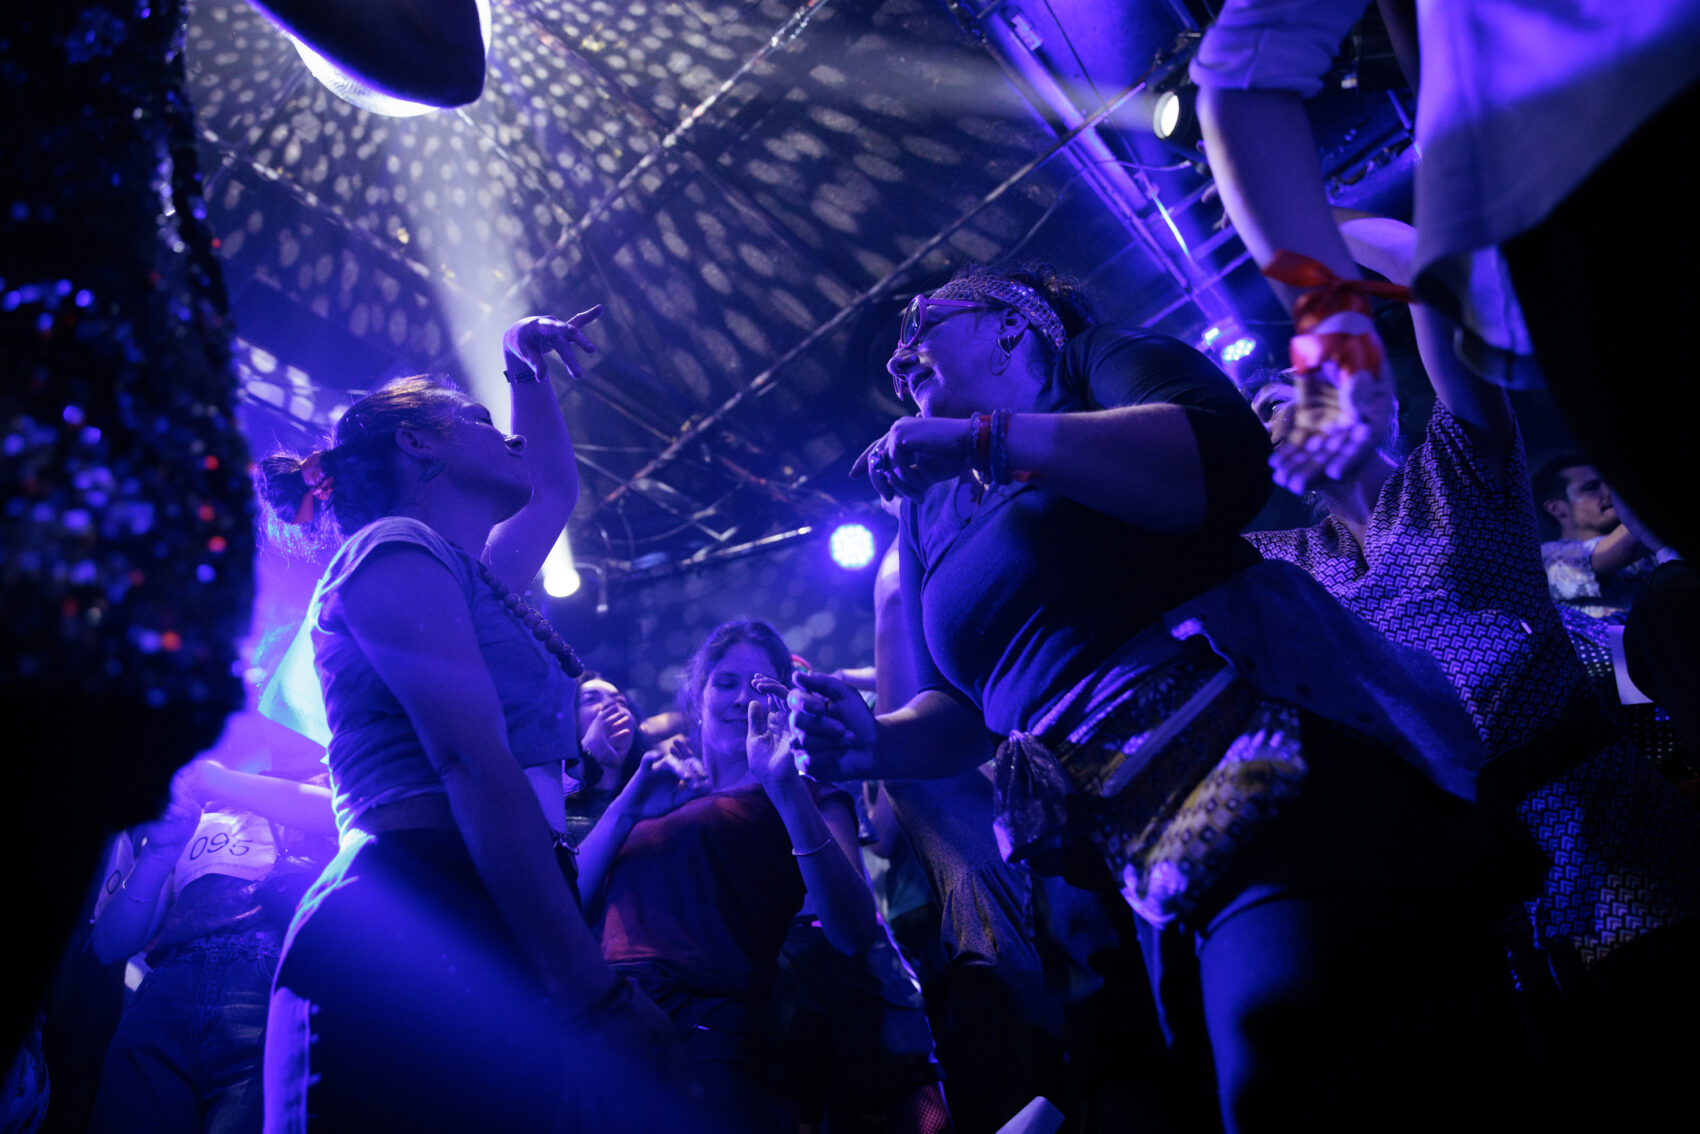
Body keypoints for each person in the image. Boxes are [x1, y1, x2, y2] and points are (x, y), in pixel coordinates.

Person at [789, 262, 1506, 1131]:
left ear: (1015, 322)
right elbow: (962, 714)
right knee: (1153, 1102)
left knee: (1287, 1059)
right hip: (1085, 844)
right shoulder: (927, 507)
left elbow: (1221, 466)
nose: (901, 361)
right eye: (895, 359)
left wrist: (991, 437)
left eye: (922, 326)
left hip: (1236, 761)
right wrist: (870, 739)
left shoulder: (1093, 364)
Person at [0, 0, 490, 1057]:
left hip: (84, 503)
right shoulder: (385, 567)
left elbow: (438, 60)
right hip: (71, 480)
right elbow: (438, 55)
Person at [1242, 216, 1700, 1123]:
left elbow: (1435, 280)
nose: (1268, 421)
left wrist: (1306, 229)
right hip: (1480, 890)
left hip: (1599, 810)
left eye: (1279, 395)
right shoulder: (1290, 566)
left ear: (1353, 391)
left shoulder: (1452, 464)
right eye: (1253, 421)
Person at [253, 311, 687, 1132]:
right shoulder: (386, 548)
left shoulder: (469, 575)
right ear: (419, 444)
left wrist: (524, 371)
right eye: (483, 421)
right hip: (413, 900)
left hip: (486, 895)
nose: (511, 441)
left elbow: (554, 486)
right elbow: (469, 764)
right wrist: (592, 993)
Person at [1189, 0, 1700, 565]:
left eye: (1274, 400)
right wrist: (1339, 336)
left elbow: (1241, 87)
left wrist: (1340, 332)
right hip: (1565, 225)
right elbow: (1242, 84)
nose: (1287, 410)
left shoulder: (1448, 466)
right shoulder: (1301, 559)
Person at [574, 620, 880, 1133]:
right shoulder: (655, 792)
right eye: (726, 682)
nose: (742, 699)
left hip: (706, 1023)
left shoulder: (810, 794)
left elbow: (853, 931)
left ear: (782, 699)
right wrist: (627, 809)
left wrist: (783, 785)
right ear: (698, 693)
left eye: (760, 686)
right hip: (607, 1013)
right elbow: (567, 902)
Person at [87, 756, 337, 1134]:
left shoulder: (326, 779)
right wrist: (158, 856)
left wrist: (215, 779)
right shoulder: (189, 812)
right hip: (166, 990)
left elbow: (336, 813)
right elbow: (108, 945)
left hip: (271, 983)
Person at [1533, 456, 1659, 618]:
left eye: (1610, 483)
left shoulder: (1641, 537)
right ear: (1557, 509)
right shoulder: (1544, 557)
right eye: (1592, 487)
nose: (1608, 492)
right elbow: (1624, 550)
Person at [562, 672, 646, 849]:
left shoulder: (651, 795)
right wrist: (587, 756)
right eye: (590, 700)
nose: (611, 705)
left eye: (621, 701)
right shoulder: (554, 799)